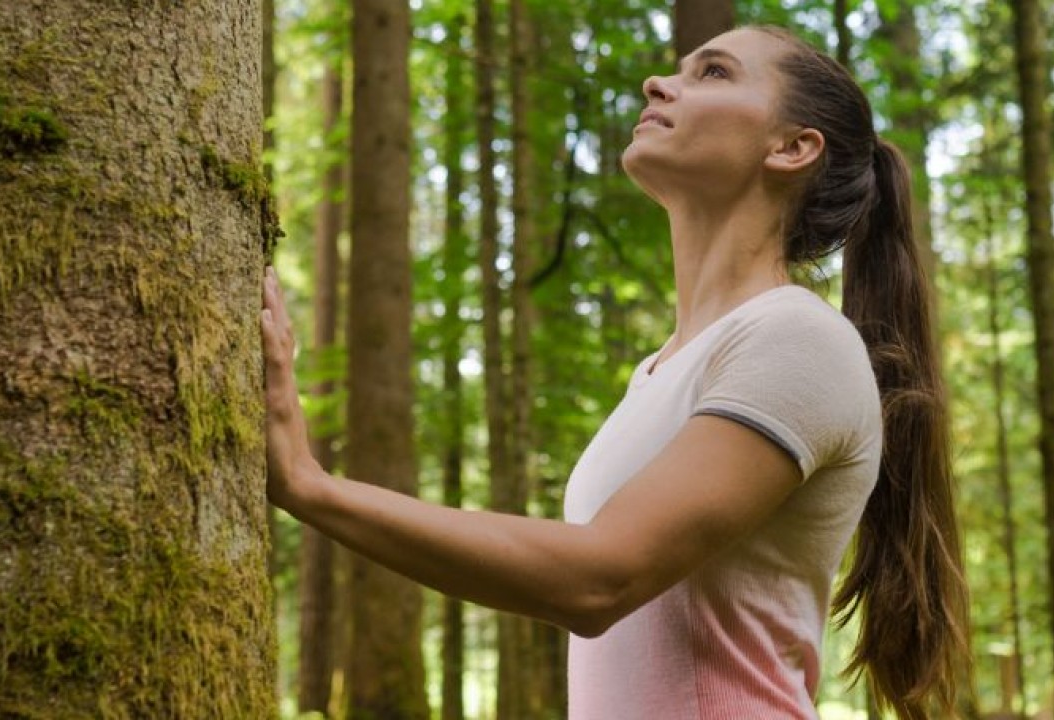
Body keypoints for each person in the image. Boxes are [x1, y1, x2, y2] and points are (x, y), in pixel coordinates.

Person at [260, 24, 968, 720]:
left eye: (713, 73)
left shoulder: (800, 339)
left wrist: (308, 484)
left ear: (791, 147)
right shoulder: (660, 372)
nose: (657, 82)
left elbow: (599, 577)